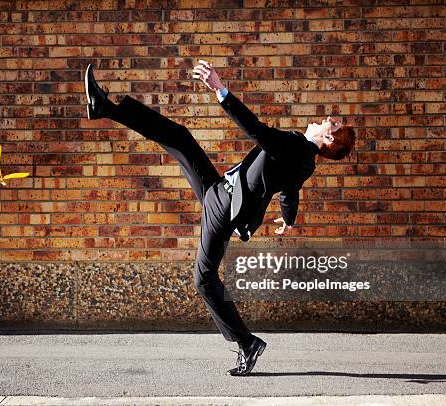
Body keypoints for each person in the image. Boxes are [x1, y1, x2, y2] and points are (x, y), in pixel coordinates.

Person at [84, 60, 356, 376]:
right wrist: (289, 220)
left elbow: (256, 130)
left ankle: (246, 343)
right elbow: (289, 192)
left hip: (224, 206)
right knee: (180, 138)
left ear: (330, 141)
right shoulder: (306, 161)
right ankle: (103, 106)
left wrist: (219, 88)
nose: (327, 120)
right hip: (221, 193)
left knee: (204, 278)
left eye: (332, 125)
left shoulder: (297, 146)